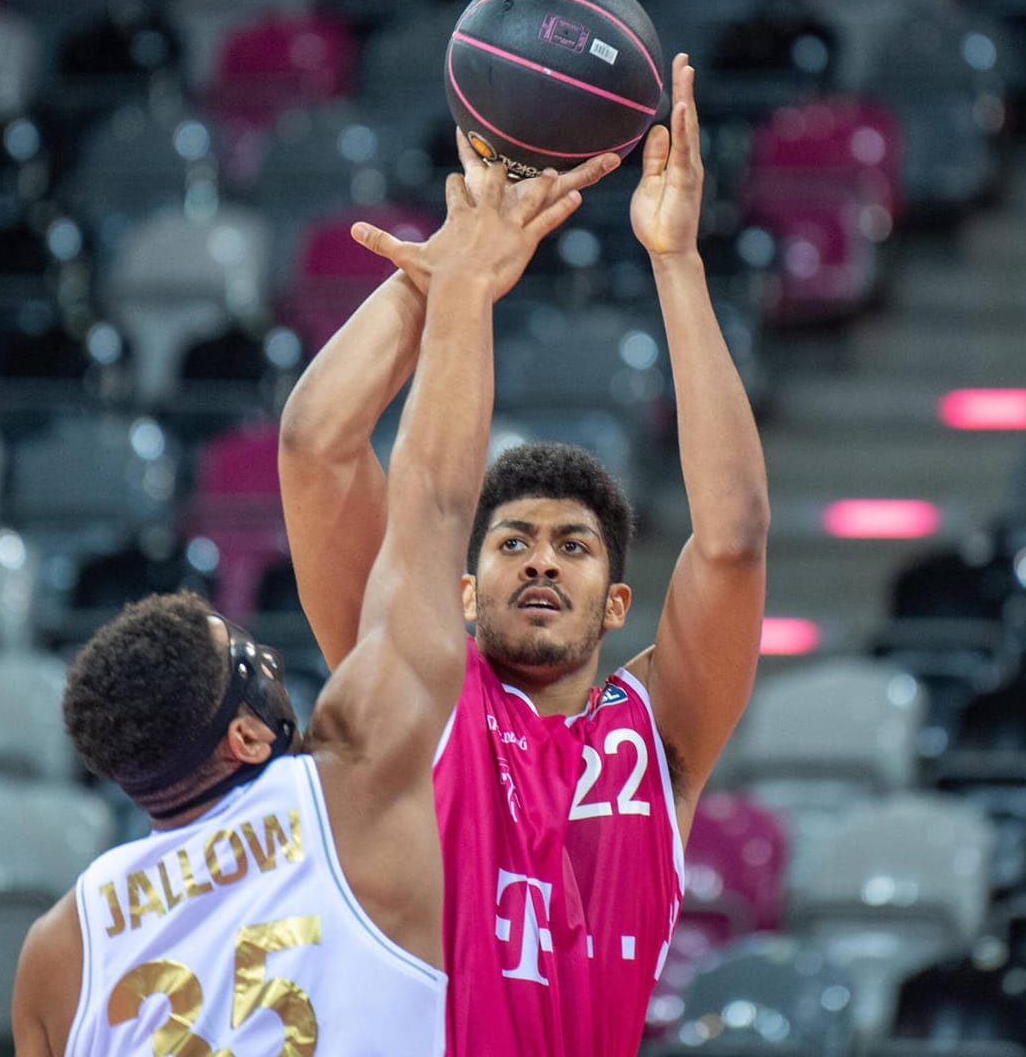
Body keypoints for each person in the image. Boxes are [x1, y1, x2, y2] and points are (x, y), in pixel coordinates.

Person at [10, 146, 591, 1057]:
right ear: (245, 737)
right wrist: (463, 282)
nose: (281, 667)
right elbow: (429, 500)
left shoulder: (61, 948)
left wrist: (442, 266)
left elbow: (317, 451)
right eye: (256, 667)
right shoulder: (354, 786)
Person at [278, 54, 770, 1055]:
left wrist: (677, 261)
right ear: (463, 590)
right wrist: (447, 275)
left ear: (618, 601)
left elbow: (733, 538)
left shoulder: (655, 736)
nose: (542, 562)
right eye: (512, 542)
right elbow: (315, 446)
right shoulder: (416, 694)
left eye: (574, 546)